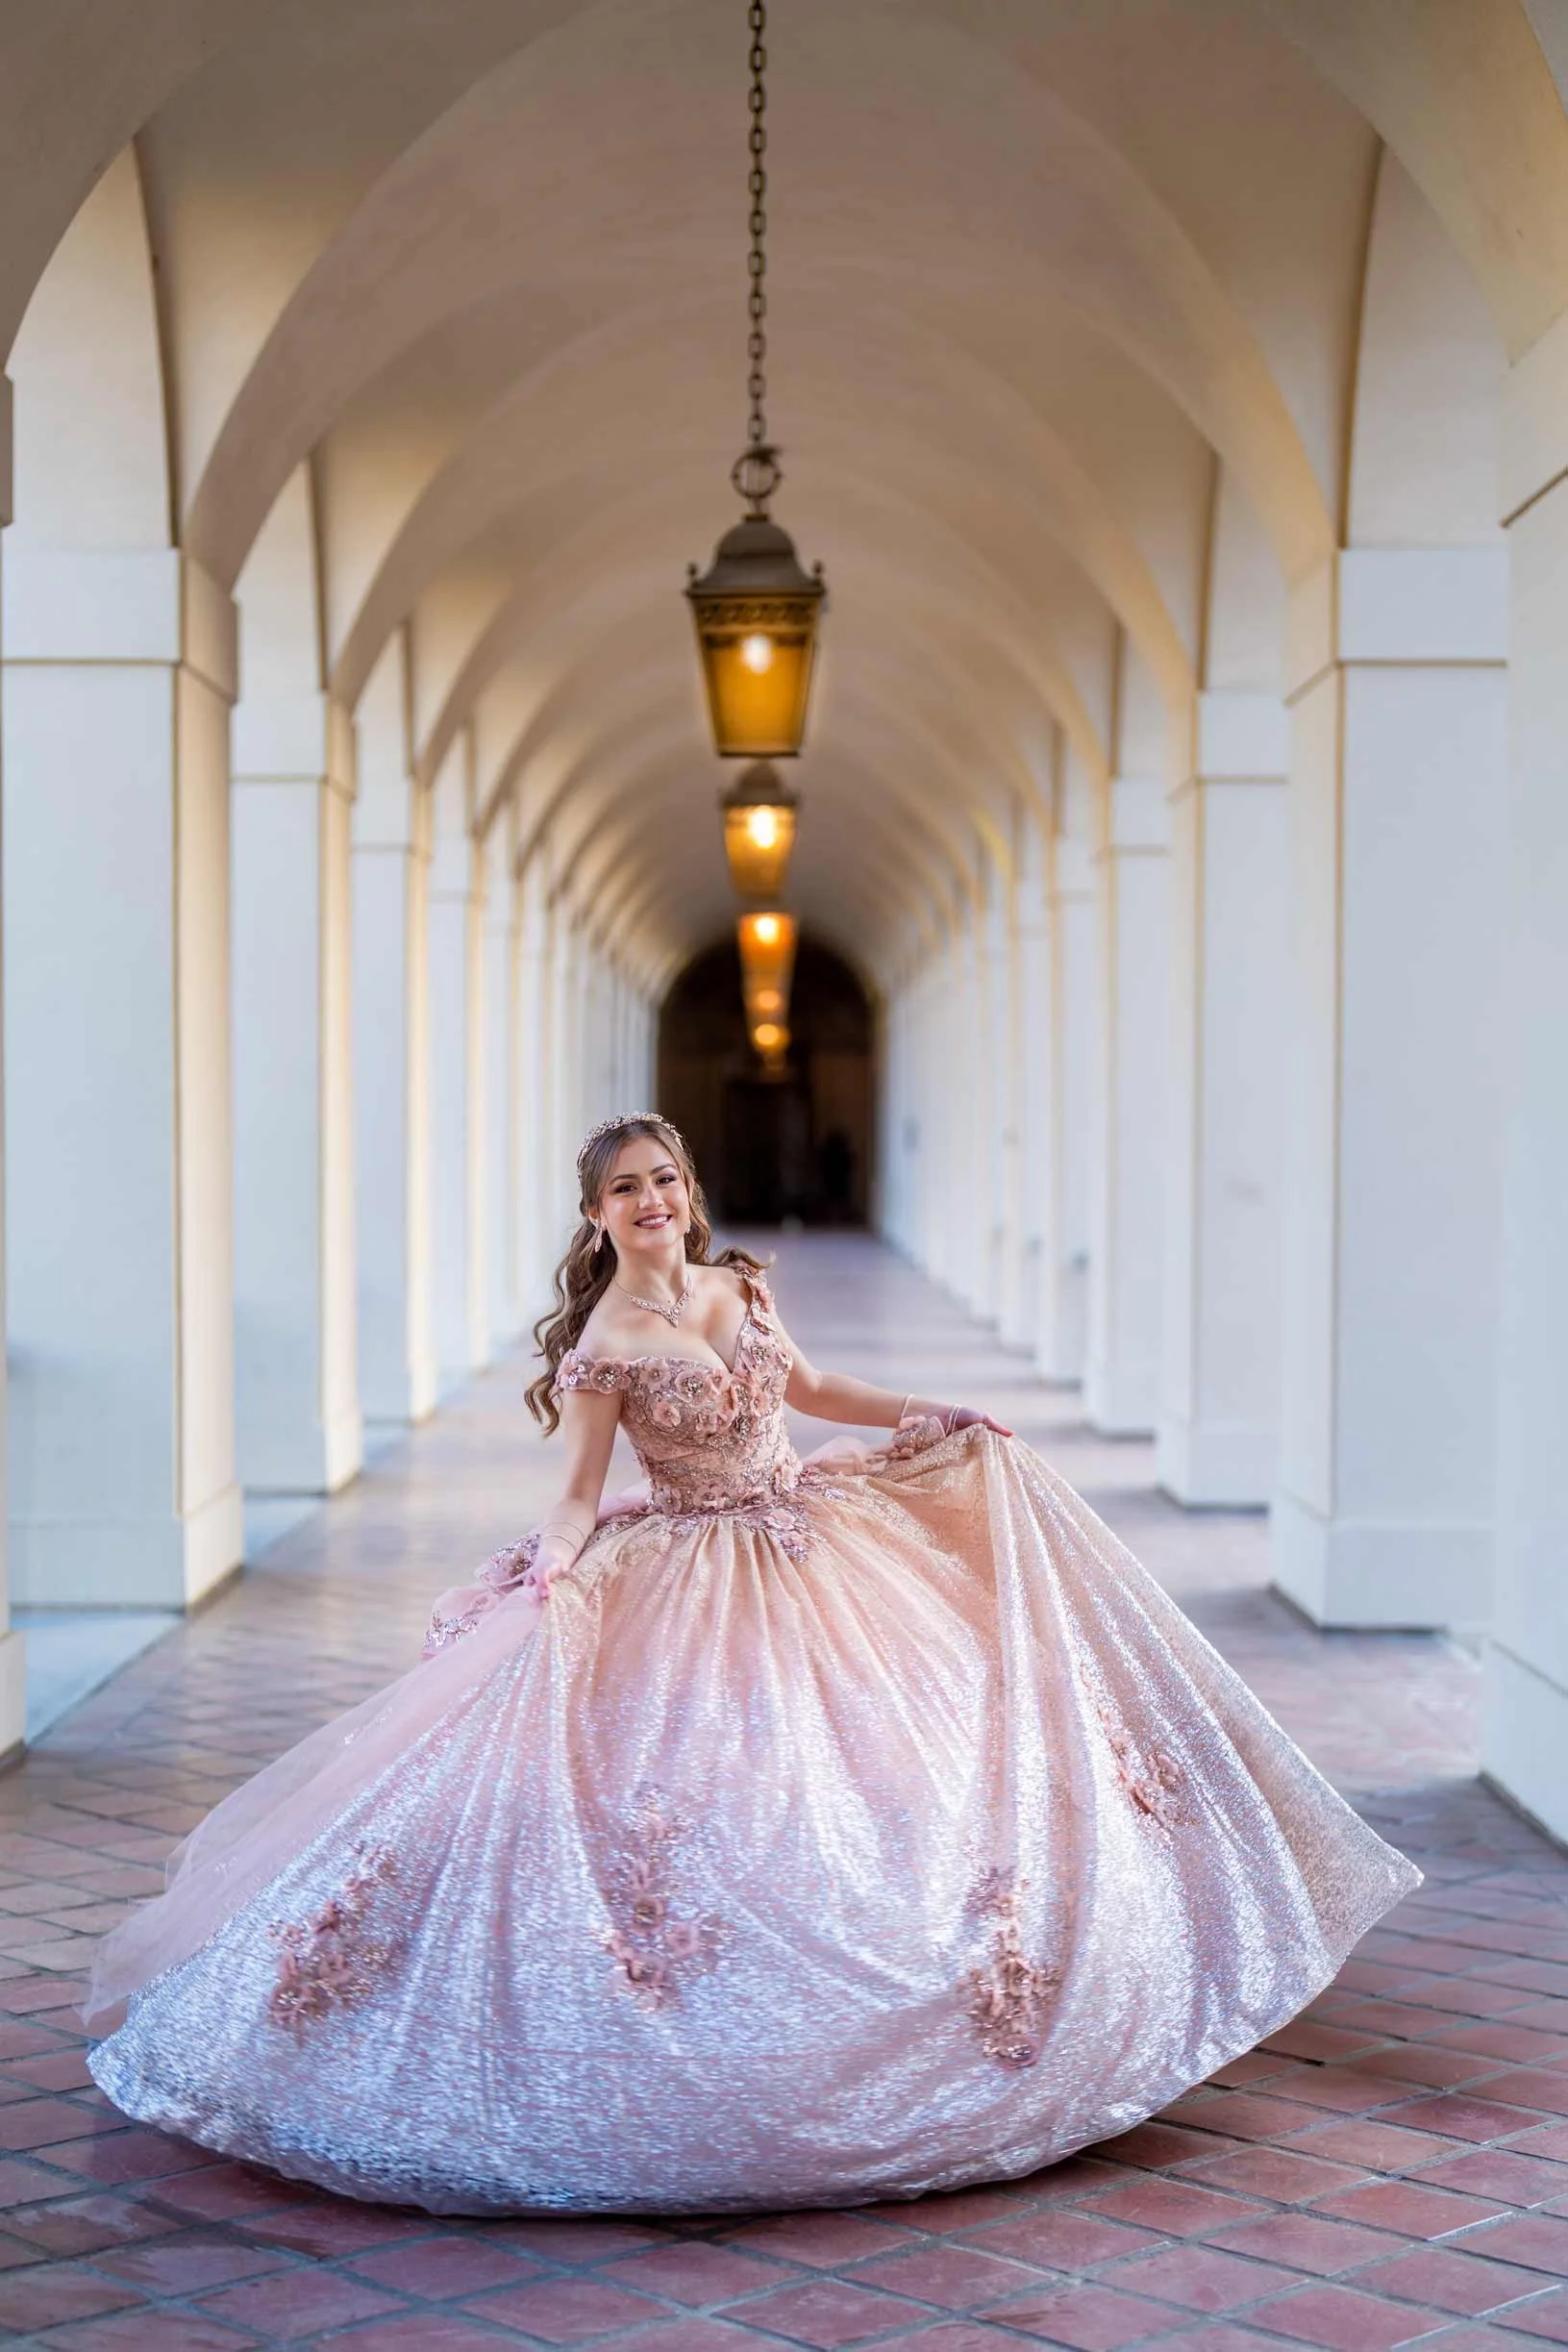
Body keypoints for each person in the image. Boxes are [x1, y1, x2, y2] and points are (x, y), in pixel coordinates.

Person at [85, 1113, 1418, 2217]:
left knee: (912, 1759)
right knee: (714, 1790)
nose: (655, 1200)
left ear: (687, 1188)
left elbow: (819, 1387)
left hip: (819, 1543)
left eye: (665, 1178)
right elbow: (578, 1490)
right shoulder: (605, 1346)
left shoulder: (742, 1285)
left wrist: (932, 1410)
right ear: (596, 1213)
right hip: (690, 1570)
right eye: (626, 1188)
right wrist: (553, 1566)